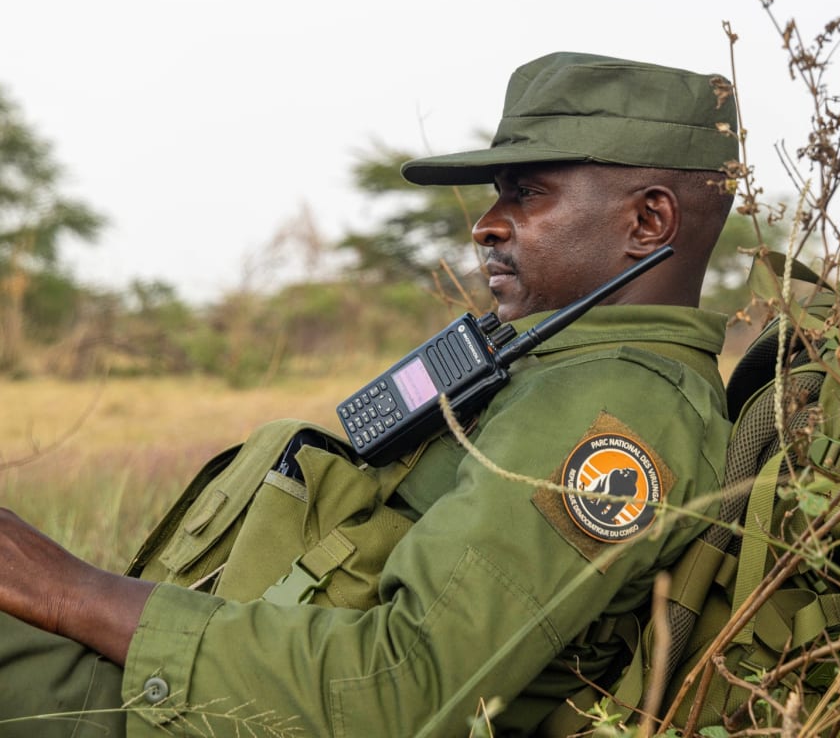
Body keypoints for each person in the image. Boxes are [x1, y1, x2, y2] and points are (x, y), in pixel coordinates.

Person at [0, 51, 739, 736]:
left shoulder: (608, 401)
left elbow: (405, 687)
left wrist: (70, 592)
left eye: (527, 193)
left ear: (648, 221)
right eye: (496, 196)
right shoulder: (553, 366)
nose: (486, 226)